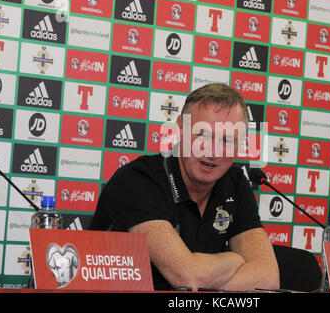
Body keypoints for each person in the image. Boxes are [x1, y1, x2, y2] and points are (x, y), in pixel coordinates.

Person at [89, 83, 279, 291]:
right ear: (180, 129)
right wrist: (233, 259)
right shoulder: (137, 181)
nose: (213, 151)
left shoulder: (235, 183)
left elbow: (267, 278)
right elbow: (187, 276)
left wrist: (202, 278)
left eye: (226, 140)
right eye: (203, 135)